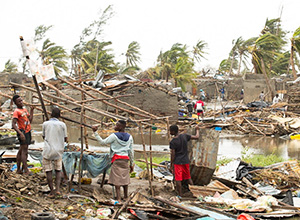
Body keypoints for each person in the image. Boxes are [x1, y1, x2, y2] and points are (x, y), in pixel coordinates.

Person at [92, 120, 134, 203]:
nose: (115, 127)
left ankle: (118, 198)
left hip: (117, 159)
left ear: (121, 127)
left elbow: (102, 142)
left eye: (117, 125)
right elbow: (131, 151)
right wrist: (132, 164)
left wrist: (95, 132)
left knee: (116, 179)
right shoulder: (130, 137)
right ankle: (125, 197)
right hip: (125, 159)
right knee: (125, 178)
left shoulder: (114, 136)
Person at [42, 108, 68, 198]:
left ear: (51, 115)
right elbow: (65, 138)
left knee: (48, 171)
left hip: (48, 150)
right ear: (59, 116)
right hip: (58, 151)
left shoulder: (45, 124)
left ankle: (51, 191)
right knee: (58, 170)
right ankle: (57, 189)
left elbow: (43, 136)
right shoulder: (62, 125)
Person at [169, 124, 200, 197]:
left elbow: (172, 155)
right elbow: (196, 137)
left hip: (178, 162)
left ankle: (180, 194)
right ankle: (195, 193)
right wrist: (197, 130)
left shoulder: (173, 142)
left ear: (173, 131)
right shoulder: (184, 136)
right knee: (188, 177)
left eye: (170, 131)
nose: (170, 132)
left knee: (178, 179)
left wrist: (171, 165)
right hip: (186, 161)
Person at [12, 95, 34, 175]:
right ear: (15, 103)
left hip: (27, 131)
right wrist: (20, 133)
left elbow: (30, 120)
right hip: (23, 132)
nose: (21, 102)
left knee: (21, 150)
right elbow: (13, 124)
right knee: (24, 151)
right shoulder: (16, 111)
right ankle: (26, 169)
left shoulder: (24, 110)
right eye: (19, 101)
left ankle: (18, 169)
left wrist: (31, 111)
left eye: (21, 100)